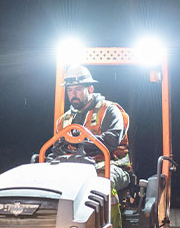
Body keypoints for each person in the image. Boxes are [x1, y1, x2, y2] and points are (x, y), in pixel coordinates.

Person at [53, 64, 133, 194]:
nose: (73, 94)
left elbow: (111, 141)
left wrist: (79, 143)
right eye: (70, 90)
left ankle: (110, 208)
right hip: (75, 166)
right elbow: (57, 148)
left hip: (110, 165)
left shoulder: (109, 110)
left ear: (90, 89)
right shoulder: (64, 120)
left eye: (78, 89)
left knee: (99, 184)